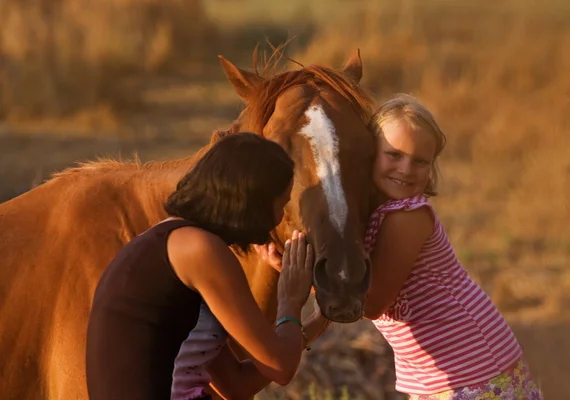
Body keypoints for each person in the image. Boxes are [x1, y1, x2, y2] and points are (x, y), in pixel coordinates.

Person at [256, 95, 544, 399]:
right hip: (438, 373)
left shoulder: (407, 217)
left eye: (420, 161)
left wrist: (299, 280)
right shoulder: (375, 213)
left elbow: (371, 302)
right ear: (370, 154)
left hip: (474, 368)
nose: (406, 169)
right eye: (394, 155)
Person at [85, 132, 328, 400]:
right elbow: (281, 367)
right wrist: (290, 299)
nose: (280, 218)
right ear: (251, 203)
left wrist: (320, 318)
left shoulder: (172, 246)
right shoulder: (199, 249)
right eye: (280, 205)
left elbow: (236, 385)